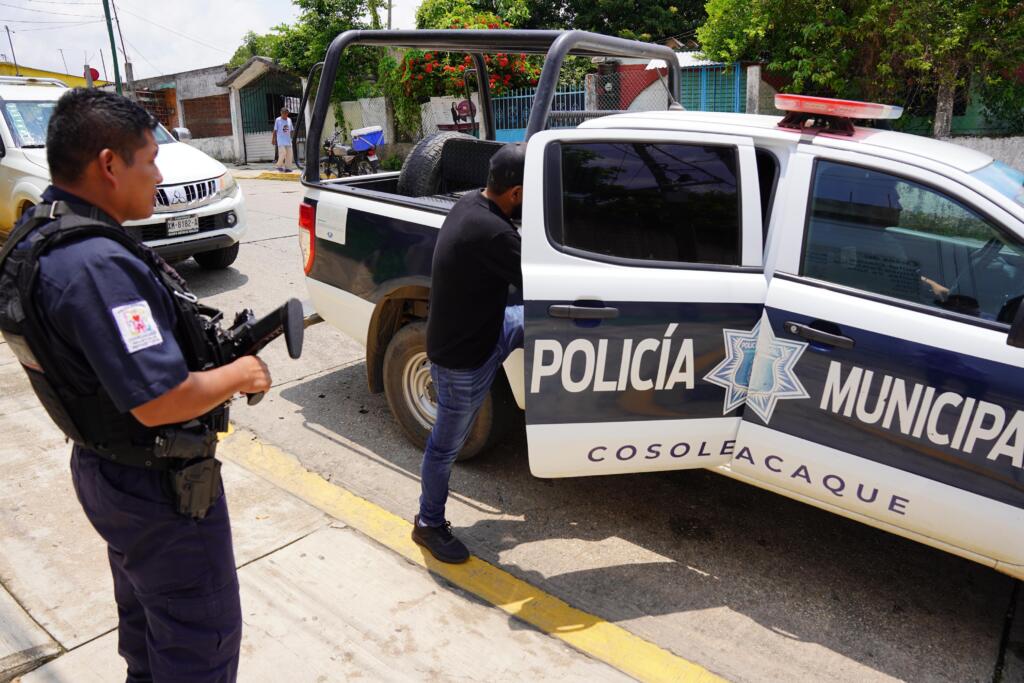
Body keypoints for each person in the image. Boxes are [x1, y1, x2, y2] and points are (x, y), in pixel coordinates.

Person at [0, 89, 272, 682]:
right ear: (108, 164)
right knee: (199, 645)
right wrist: (240, 374)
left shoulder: (39, 232)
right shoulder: (96, 265)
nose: (157, 175)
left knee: (150, 632)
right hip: (158, 489)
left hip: (108, 472)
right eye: (149, 160)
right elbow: (158, 402)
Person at [412, 143, 526, 563]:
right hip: (463, 360)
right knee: (444, 447)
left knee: (536, 323)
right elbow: (539, 278)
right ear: (514, 193)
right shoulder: (494, 233)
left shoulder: (470, 206)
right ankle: (427, 524)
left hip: (487, 330)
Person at [273, 106, 293, 172]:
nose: (285, 114)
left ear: (287, 113)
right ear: (281, 113)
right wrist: (273, 139)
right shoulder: (278, 120)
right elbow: (275, 130)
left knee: (289, 154)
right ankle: (279, 165)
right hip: (281, 140)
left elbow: (291, 130)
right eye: (283, 113)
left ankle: (288, 168)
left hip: (288, 140)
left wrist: (292, 139)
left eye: (286, 113)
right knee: (283, 153)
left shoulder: (289, 120)